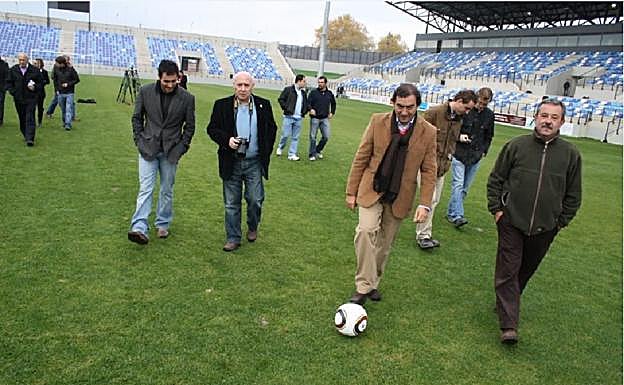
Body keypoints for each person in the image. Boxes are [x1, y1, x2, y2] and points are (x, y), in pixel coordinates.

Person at [487, 98, 582, 344]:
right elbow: (496, 179)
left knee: (525, 270)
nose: (547, 121)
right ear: (536, 117)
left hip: (546, 226)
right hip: (511, 221)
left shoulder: (570, 154)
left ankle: (506, 302)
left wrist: (561, 221)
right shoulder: (516, 146)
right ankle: (509, 326)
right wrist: (497, 210)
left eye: (553, 117)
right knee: (508, 269)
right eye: (544, 115)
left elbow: (574, 193)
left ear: (562, 122)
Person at [345, 83, 437, 305]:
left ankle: (373, 282)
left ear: (418, 105)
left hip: (400, 195)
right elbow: (361, 157)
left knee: (384, 245)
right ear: (392, 103)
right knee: (366, 231)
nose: (404, 112)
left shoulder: (429, 132)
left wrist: (425, 204)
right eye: (400, 106)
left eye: (410, 107)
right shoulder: (378, 121)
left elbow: (429, 170)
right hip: (371, 189)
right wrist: (351, 192)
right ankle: (363, 286)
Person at [207, 71, 278, 251]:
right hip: (231, 161)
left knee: (255, 200)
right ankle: (233, 237)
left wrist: (265, 152)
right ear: (234, 86)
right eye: (239, 85)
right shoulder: (221, 105)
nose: (243, 89)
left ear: (252, 86)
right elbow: (212, 129)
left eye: (247, 85)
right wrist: (227, 140)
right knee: (231, 203)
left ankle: (253, 226)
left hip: (254, 162)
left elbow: (272, 129)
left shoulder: (264, 105)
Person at [127, 59, 196, 245]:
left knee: (166, 190)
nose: (170, 85)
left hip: (171, 152)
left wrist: (182, 148)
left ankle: (162, 223)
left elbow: (189, 127)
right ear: (159, 77)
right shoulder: (145, 91)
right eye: (167, 81)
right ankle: (139, 227)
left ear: (178, 78)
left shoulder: (187, 98)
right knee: (146, 189)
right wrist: (139, 140)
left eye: (174, 81)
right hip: (147, 148)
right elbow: (136, 118)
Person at [415, 89, 477, 249]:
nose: (468, 112)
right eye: (467, 108)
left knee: (433, 200)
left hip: (442, 166)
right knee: (429, 199)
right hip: (426, 165)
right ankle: (423, 235)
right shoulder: (433, 113)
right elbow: (419, 138)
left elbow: (450, 141)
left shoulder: (459, 119)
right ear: (459, 100)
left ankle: (423, 233)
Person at [446, 87, 494, 227]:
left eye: (485, 104)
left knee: (465, 188)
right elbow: (452, 128)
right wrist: (459, 137)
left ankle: (451, 212)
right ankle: (457, 215)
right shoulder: (465, 110)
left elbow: (489, 135)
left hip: (475, 155)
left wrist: (484, 150)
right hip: (459, 152)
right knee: (458, 184)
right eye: (480, 102)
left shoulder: (489, 115)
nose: (481, 106)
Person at [6, 52, 43, 146]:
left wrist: (35, 87)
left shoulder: (34, 70)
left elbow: (41, 83)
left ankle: (30, 138)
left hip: (31, 98)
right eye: (20, 60)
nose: (22, 62)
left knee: (30, 117)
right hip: (18, 98)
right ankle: (25, 134)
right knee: (22, 117)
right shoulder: (13, 70)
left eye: (23, 60)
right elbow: (8, 83)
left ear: (27, 60)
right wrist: (13, 92)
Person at [276, 74, 307, 161]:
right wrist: (286, 108)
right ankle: (280, 147)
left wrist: (305, 111)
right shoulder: (288, 90)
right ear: (299, 81)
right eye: (304, 81)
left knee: (295, 137)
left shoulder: (303, 93)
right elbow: (281, 99)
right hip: (288, 117)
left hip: (298, 118)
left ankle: (292, 154)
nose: (305, 83)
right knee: (285, 135)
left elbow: (305, 103)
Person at [307, 75, 336, 161]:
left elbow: (333, 104)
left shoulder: (329, 93)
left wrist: (332, 112)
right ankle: (311, 154)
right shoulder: (313, 92)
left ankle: (318, 150)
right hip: (315, 118)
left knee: (326, 136)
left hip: (325, 118)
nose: (320, 84)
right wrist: (310, 109)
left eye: (322, 82)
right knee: (313, 137)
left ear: (326, 83)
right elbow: (308, 103)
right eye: (319, 82)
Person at [52, 55, 79, 130]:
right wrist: (56, 90)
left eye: (57, 63)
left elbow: (77, 80)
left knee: (68, 108)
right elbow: (55, 80)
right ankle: (65, 122)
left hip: (69, 92)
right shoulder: (56, 69)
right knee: (63, 109)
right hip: (60, 92)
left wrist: (68, 84)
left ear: (62, 63)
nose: (56, 64)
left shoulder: (71, 69)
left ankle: (68, 124)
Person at [33, 58, 50, 128]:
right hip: (32, 92)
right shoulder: (31, 71)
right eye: (35, 63)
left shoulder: (44, 72)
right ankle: (31, 121)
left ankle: (39, 122)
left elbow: (48, 81)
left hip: (41, 93)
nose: (36, 64)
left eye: (37, 63)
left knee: (40, 108)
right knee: (31, 108)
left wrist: (42, 83)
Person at [0, 55, 9, 126]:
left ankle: (0, 120)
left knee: (0, 104)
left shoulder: (4, 64)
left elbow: (7, 76)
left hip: (1, 89)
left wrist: (5, 87)